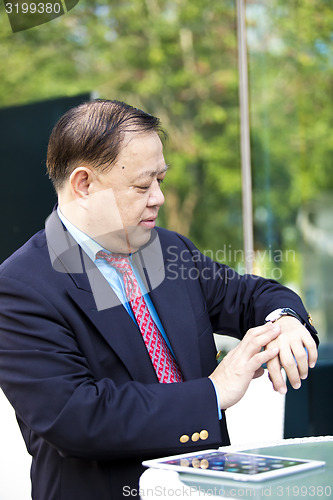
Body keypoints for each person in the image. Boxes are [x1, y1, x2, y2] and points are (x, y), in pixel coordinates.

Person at [0, 99, 318, 500]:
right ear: (84, 184)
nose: (158, 198)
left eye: (160, 181)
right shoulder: (20, 287)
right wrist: (214, 392)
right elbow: (77, 416)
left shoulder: (168, 251)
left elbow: (252, 294)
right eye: (141, 185)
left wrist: (285, 319)